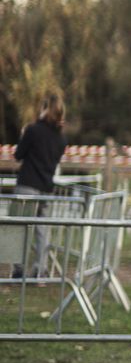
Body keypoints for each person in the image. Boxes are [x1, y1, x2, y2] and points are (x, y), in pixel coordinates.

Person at [12, 93, 68, 279]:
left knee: (20, 228)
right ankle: (39, 269)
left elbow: (19, 155)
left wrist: (23, 136)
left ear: (45, 109)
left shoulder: (33, 130)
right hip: (46, 188)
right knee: (42, 230)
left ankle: (19, 269)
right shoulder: (61, 139)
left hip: (27, 184)